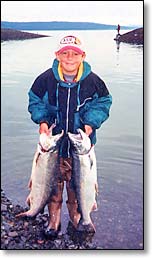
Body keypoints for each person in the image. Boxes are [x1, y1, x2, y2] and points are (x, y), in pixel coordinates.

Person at [28, 34, 112, 238]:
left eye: (74, 53)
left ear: (82, 56)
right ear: (57, 55)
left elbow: (103, 103)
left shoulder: (94, 82)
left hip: (80, 150)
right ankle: (53, 218)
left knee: (78, 186)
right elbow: (35, 101)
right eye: (64, 53)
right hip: (53, 146)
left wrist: (90, 125)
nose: (69, 58)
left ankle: (79, 217)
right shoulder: (44, 79)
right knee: (52, 185)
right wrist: (43, 122)